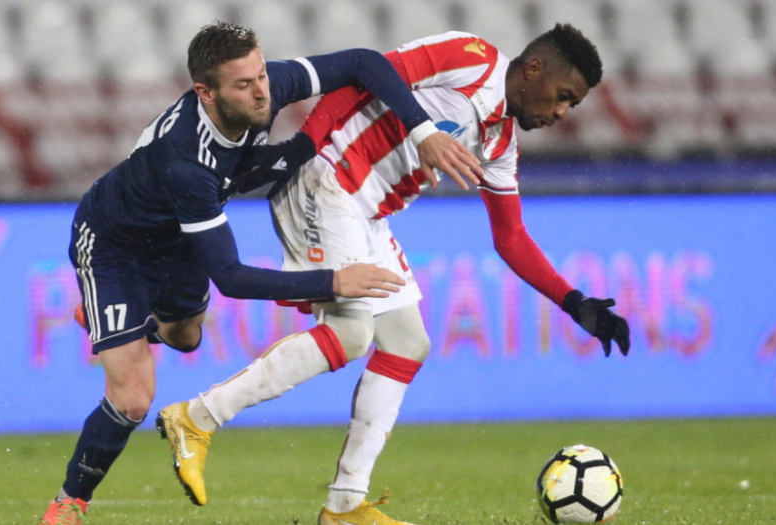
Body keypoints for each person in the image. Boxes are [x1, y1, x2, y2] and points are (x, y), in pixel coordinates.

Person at [157, 24, 631, 525]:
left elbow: (511, 238)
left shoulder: (501, 143)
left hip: (367, 214)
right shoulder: (471, 57)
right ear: (533, 69)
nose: (561, 113)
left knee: (407, 343)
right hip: (328, 177)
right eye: (563, 96)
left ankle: (344, 506)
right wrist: (307, 144)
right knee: (351, 333)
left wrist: (573, 301)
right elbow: (366, 74)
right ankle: (198, 417)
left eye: (571, 105)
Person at [37, 21, 484, 525]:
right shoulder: (186, 162)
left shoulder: (266, 85)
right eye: (244, 84)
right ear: (206, 93)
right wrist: (333, 282)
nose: (261, 92)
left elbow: (363, 62)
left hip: (179, 238)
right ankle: (69, 502)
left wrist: (421, 130)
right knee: (135, 398)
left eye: (261, 75)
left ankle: (113, 322)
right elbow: (231, 277)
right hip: (116, 244)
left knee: (186, 338)